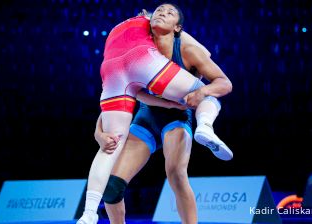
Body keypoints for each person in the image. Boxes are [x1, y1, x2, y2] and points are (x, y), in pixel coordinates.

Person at [77, 3, 233, 223]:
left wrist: (203, 91)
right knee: (112, 187)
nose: (161, 13)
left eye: (169, 13)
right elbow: (123, 92)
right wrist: (99, 132)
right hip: (148, 116)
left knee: (176, 175)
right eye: (159, 11)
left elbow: (224, 84)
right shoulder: (137, 46)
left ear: (178, 27)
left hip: (178, 116)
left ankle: (206, 128)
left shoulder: (187, 48)